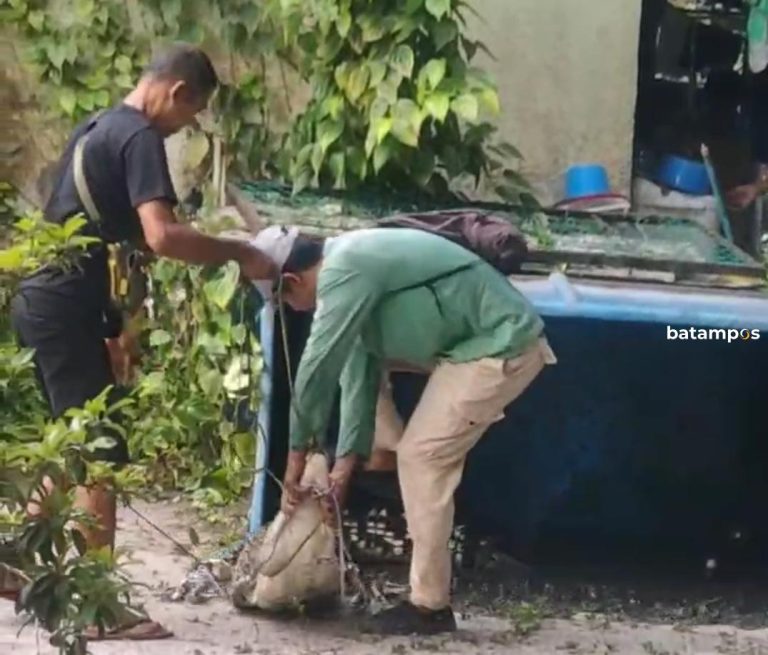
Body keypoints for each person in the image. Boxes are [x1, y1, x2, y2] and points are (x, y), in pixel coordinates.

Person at [7, 43, 275, 639]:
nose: (188, 128)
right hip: (64, 303)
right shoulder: (140, 138)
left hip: (47, 301)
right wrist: (241, 253)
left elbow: (100, 233)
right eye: (194, 114)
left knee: (76, 438)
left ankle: (15, 558)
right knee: (102, 452)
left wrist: (117, 325)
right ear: (179, 94)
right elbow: (162, 236)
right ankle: (97, 608)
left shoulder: (97, 127)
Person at [249, 224, 556, 635]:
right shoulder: (347, 272)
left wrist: (294, 462)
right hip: (463, 349)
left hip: (500, 344)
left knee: (423, 456)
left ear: (291, 280)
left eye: (285, 300)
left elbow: (316, 371)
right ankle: (386, 462)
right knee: (388, 418)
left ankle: (430, 608)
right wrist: (343, 469)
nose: (295, 309)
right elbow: (356, 372)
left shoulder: (344, 270)